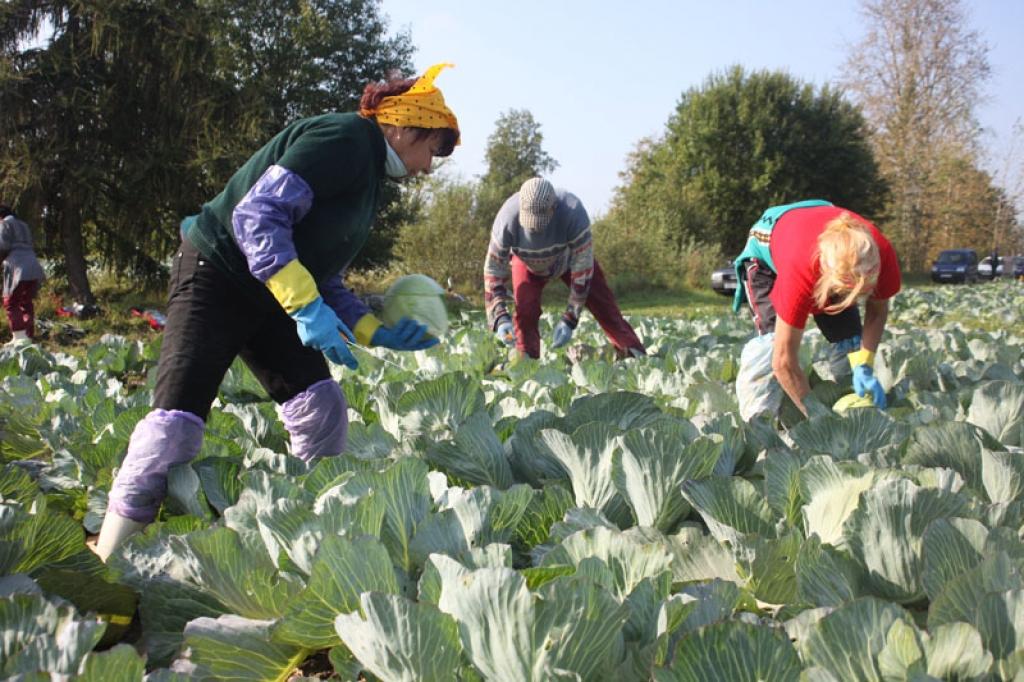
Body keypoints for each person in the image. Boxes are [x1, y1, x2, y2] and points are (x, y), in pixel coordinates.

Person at [94, 64, 461, 559]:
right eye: (432, 150)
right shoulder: (345, 139)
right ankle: (111, 559)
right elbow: (256, 214)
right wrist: (305, 307)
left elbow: (324, 274)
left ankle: (305, 536)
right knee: (176, 424)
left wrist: (377, 332)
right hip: (218, 272)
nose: (429, 167)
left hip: (271, 291)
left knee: (320, 407)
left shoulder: (370, 178)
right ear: (404, 127)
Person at [732, 200, 901, 420]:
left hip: (816, 229)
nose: (854, 298)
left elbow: (877, 312)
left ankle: (851, 391)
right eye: (846, 291)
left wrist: (865, 364)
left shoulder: (881, 254)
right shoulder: (798, 274)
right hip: (767, 242)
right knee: (769, 346)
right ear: (827, 277)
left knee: (850, 337)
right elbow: (782, 361)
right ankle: (758, 422)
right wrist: (818, 417)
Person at [483, 178, 646, 360]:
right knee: (526, 310)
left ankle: (633, 353)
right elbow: (493, 271)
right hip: (526, 262)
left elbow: (583, 268)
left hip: (568, 259)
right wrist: (500, 317)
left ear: (553, 209)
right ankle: (526, 361)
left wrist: (570, 318)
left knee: (603, 305)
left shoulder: (573, 212)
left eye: (540, 222)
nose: (535, 229)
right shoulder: (506, 218)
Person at [0, 205, 46, 345]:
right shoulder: (23, 225)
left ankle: (19, 337)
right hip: (33, 265)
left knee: (11, 302)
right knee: (26, 302)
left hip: (17, 266)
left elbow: (3, 246)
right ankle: (28, 336)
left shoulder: (4, 224)